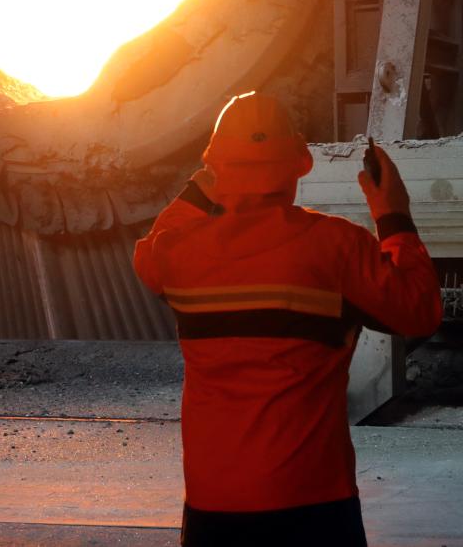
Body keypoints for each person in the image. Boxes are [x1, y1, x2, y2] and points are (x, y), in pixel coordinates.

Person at [133, 92, 442, 547]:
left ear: (218, 167)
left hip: (214, 504)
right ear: (299, 163)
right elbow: (419, 311)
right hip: (313, 500)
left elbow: (155, 244)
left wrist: (208, 183)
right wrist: (392, 214)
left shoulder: (174, 254)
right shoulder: (335, 247)